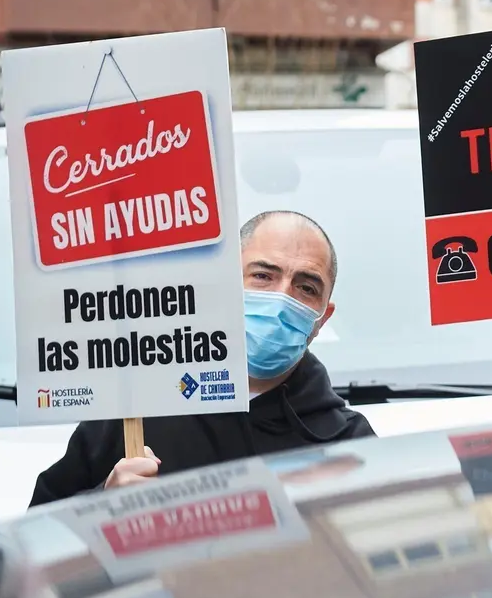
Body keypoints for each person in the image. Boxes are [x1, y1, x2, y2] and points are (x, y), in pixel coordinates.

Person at [29, 211, 375, 506]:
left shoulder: (347, 444)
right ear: (222, 284)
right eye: (263, 276)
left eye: (306, 287)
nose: (281, 297)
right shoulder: (139, 405)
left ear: (322, 318)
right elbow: (38, 540)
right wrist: (105, 501)